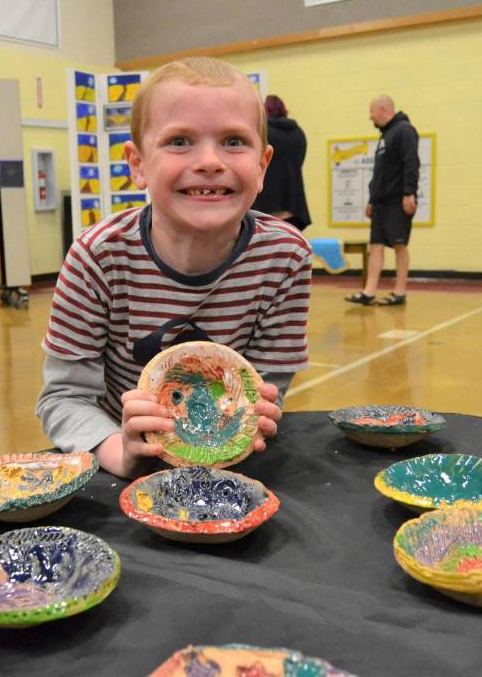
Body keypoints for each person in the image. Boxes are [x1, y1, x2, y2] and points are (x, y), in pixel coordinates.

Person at [36, 57, 313, 477]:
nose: (209, 161)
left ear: (262, 166)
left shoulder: (286, 256)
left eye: (234, 141)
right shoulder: (97, 257)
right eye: (180, 141)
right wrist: (122, 453)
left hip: (229, 464)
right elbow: (63, 397)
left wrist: (259, 413)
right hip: (115, 457)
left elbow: (266, 387)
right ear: (138, 164)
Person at [345, 95, 419, 307]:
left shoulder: (404, 130)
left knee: (399, 244)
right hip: (380, 202)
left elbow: (411, 163)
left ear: (383, 109)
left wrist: (409, 193)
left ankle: (400, 292)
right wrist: (371, 200)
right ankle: (369, 291)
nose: (370, 116)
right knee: (375, 246)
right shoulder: (385, 135)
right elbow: (380, 173)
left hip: (398, 199)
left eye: (372, 111)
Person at [253, 95, 311, 231]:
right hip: (294, 206)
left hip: (265, 205)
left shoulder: (264, 132)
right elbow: (299, 162)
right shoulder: (299, 133)